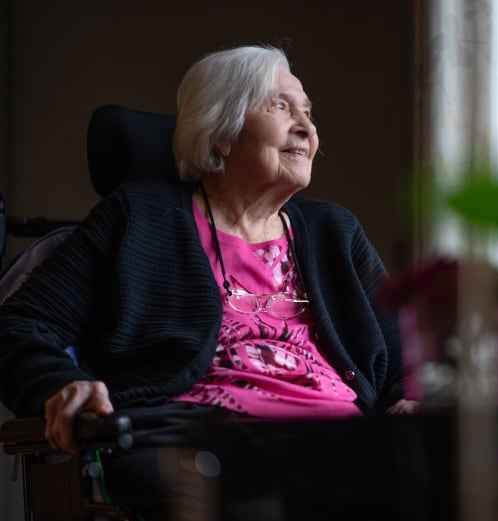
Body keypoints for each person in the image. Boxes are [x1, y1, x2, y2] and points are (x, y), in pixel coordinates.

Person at [0, 44, 418, 519]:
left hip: (339, 443)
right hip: (196, 443)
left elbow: (411, 356)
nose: (306, 127)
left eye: (307, 112)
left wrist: (413, 401)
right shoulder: (139, 216)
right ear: (221, 135)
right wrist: (61, 385)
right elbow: (20, 324)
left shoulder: (334, 232)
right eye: (280, 106)